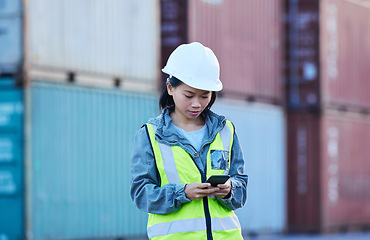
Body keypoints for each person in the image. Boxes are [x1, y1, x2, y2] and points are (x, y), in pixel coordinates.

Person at [130, 42, 248, 240]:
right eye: (189, 95)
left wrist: (229, 189)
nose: (197, 104)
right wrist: (182, 193)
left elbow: (241, 187)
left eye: (205, 96)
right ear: (170, 88)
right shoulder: (150, 135)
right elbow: (141, 194)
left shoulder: (226, 131)